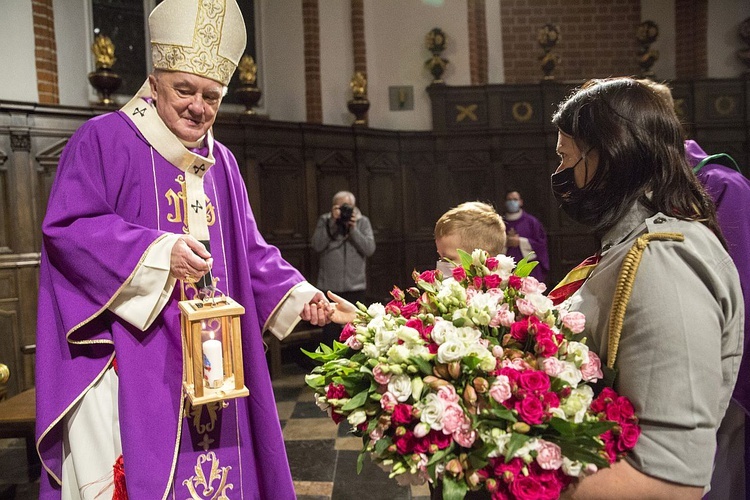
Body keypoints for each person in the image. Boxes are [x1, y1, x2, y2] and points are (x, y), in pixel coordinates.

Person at [35, 0, 329, 498]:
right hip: (135, 361)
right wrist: (156, 254)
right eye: (184, 90)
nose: (198, 106)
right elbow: (69, 228)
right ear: (153, 82)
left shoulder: (224, 163)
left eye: (211, 96)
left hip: (217, 365)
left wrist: (301, 295)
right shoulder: (104, 140)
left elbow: (249, 251)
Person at [550, 77, 743, 499]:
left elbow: (670, 483)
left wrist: (494, 462)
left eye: (566, 158)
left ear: (610, 155)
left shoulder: (663, 262)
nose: (560, 175)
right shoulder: (631, 245)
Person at [640, 79, 750, 499]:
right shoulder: (655, 189)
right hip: (675, 359)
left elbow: (737, 287)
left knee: (716, 475)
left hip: (718, 361)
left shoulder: (723, 185)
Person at [323, 201, 507, 325]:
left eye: (448, 259)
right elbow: (409, 324)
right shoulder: (442, 295)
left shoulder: (505, 307)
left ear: (482, 259)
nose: (440, 266)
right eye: (439, 257)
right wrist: (359, 316)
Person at [311, 191, 375, 344]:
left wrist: (353, 230)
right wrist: (333, 224)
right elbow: (317, 245)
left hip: (356, 287)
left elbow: (369, 248)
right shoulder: (325, 221)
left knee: (356, 333)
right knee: (330, 336)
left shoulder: (362, 222)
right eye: (340, 207)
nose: (345, 211)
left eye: (348, 207)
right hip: (330, 288)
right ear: (334, 207)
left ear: (354, 207)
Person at [501, 190, 549, 284]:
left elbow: (541, 244)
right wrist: (505, 242)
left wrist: (521, 241)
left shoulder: (532, 222)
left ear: (521, 202)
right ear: (505, 203)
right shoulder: (500, 223)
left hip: (530, 269)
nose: (512, 202)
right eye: (509, 200)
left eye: (515, 199)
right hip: (506, 269)